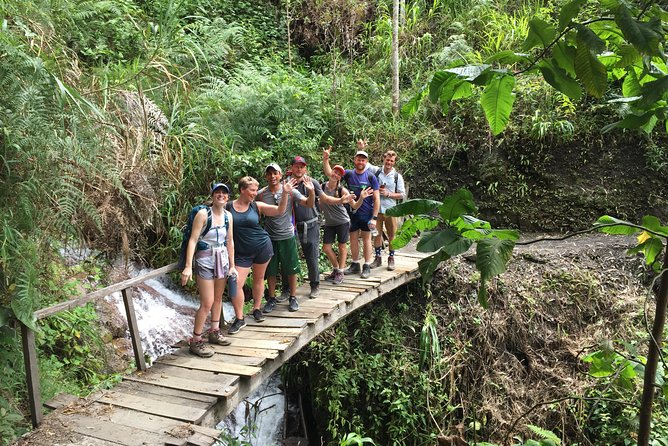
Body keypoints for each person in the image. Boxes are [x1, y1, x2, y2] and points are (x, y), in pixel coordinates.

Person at [225, 175, 292, 335]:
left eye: (256, 190)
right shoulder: (228, 207)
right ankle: (240, 318)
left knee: (258, 279)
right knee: (234, 284)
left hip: (262, 247)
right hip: (241, 252)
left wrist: (285, 194)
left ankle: (256, 308)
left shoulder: (256, 206)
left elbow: (280, 210)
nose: (255, 193)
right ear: (242, 190)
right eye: (252, 190)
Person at [181, 182, 237, 357]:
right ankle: (196, 340)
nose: (221, 195)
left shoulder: (228, 216)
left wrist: (233, 266)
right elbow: (193, 240)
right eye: (218, 192)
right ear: (212, 195)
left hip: (222, 258)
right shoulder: (203, 214)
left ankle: (214, 331)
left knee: (218, 298)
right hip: (205, 258)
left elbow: (230, 241)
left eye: (224, 193)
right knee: (207, 302)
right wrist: (188, 266)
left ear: (228, 197)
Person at [259, 163, 314, 313]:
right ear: (266, 176)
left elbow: (309, 204)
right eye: (269, 174)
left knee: (291, 268)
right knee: (270, 270)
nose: (272, 176)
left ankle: (293, 297)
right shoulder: (262, 194)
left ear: (281, 175)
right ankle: (271, 298)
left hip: (287, 235)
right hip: (269, 237)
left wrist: (311, 191)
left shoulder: (290, 191)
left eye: (275, 173)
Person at [323, 144, 380, 279]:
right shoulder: (349, 174)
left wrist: (375, 217)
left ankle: (366, 264)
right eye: (358, 159)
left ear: (366, 162)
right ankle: (355, 264)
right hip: (352, 212)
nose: (360, 162)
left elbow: (377, 199)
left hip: (366, 212)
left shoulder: (371, 177)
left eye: (363, 160)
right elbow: (330, 174)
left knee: (366, 239)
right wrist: (326, 160)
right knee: (353, 238)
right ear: (354, 160)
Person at [320, 164, 365, 284]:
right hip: (329, 222)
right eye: (335, 172)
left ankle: (340, 271)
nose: (336, 175)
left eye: (339, 174)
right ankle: (336, 269)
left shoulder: (342, 190)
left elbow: (354, 205)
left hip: (342, 221)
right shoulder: (322, 186)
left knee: (342, 247)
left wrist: (361, 197)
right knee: (326, 248)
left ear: (340, 178)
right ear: (331, 172)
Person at [370, 150, 406, 271]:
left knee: (392, 235)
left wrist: (389, 194)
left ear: (394, 162)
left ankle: (391, 258)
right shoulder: (377, 171)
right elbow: (366, 164)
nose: (389, 162)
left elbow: (402, 194)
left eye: (391, 161)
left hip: (391, 210)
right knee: (377, 234)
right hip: (377, 209)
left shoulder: (397, 177)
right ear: (384, 159)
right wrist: (361, 149)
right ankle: (378, 258)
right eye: (387, 160)